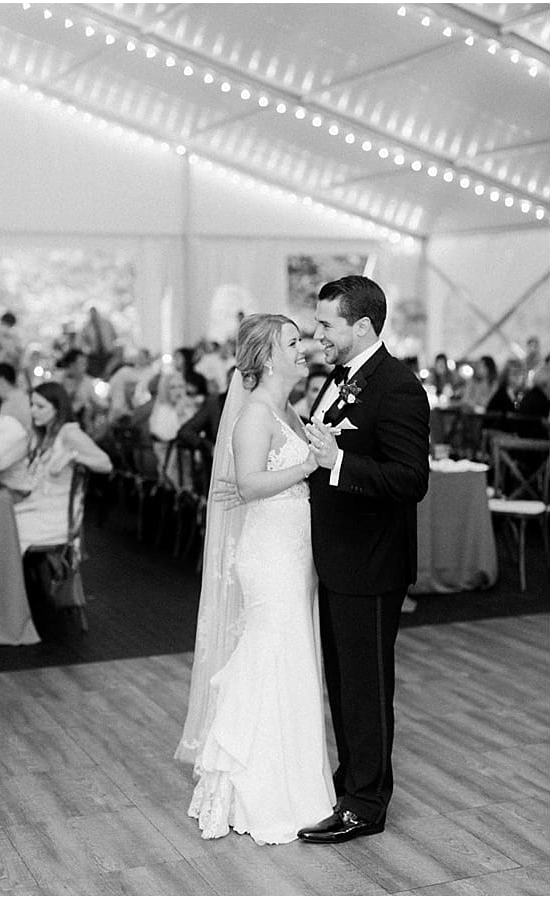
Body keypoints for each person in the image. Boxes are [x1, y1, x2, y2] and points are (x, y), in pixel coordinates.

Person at [176, 313, 334, 844]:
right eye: (292, 343)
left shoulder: (287, 408)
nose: (303, 349)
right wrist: (311, 465)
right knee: (273, 655)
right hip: (268, 555)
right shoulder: (255, 414)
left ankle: (293, 783)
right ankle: (257, 790)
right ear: (267, 357)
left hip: (294, 552)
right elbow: (246, 484)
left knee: (291, 658)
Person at [298, 275, 430, 843]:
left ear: (363, 327)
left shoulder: (397, 386)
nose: (318, 333)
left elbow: (410, 479)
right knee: (343, 683)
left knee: (367, 686)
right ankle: (350, 778)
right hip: (337, 556)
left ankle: (366, 804)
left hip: (372, 562)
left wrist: (336, 463)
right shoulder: (340, 376)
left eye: (327, 324)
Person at [12, 382, 112, 553]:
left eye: (40, 406)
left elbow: (105, 464)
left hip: (56, 516)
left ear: (57, 408)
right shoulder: (44, 434)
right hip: (39, 506)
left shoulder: (69, 432)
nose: (33, 411)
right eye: (32, 405)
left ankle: (11, 577)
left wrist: (73, 457)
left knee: (7, 529)